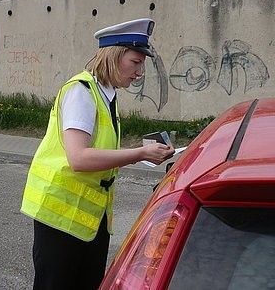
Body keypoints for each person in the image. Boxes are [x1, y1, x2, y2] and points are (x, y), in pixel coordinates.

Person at [20, 18, 175, 290]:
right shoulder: (82, 92)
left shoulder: (107, 94)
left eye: (142, 64)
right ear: (114, 56)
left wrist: (144, 152)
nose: (139, 72)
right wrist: (140, 153)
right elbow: (79, 158)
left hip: (88, 217)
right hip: (61, 217)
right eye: (135, 62)